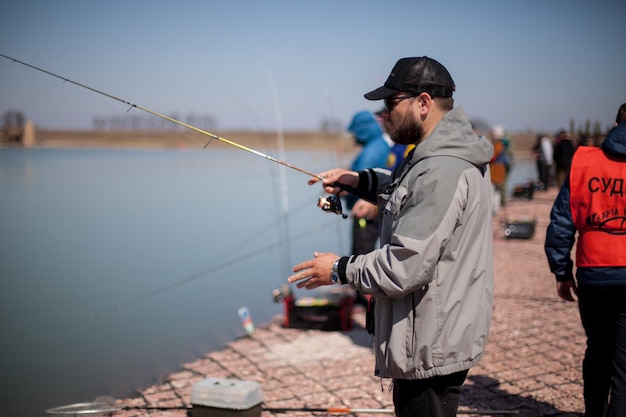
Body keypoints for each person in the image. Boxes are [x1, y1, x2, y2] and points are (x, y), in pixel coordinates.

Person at [288, 56, 495, 417]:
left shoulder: (440, 169)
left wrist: (337, 269)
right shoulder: (440, 156)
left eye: (390, 104)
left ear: (424, 102)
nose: (384, 115)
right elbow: (408, 193)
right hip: (441, 329)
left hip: (431, 339)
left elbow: (403, 266)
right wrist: (360, 181)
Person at [544, 102, 626, 417]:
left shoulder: (586, 160)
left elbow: (562, 222)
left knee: (598, 352)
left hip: (593, 273)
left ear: (616, 124)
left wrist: (562, 272)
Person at [345, 110, 390, 256]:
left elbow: (357, 185)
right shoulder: (383, 145)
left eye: (355, 133)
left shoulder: (368, 154)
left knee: (360, 257)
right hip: (381, 214)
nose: (354, 137)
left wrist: (339, 189)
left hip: (365, 215)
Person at [488, 125, 511, 211]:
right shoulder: (501, 144)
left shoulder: (498, 145)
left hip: (496, 169)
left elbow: (492, 157)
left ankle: (493, 208)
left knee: (492, 189)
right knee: (496, 190)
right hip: (500, 169)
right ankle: (495, 208)